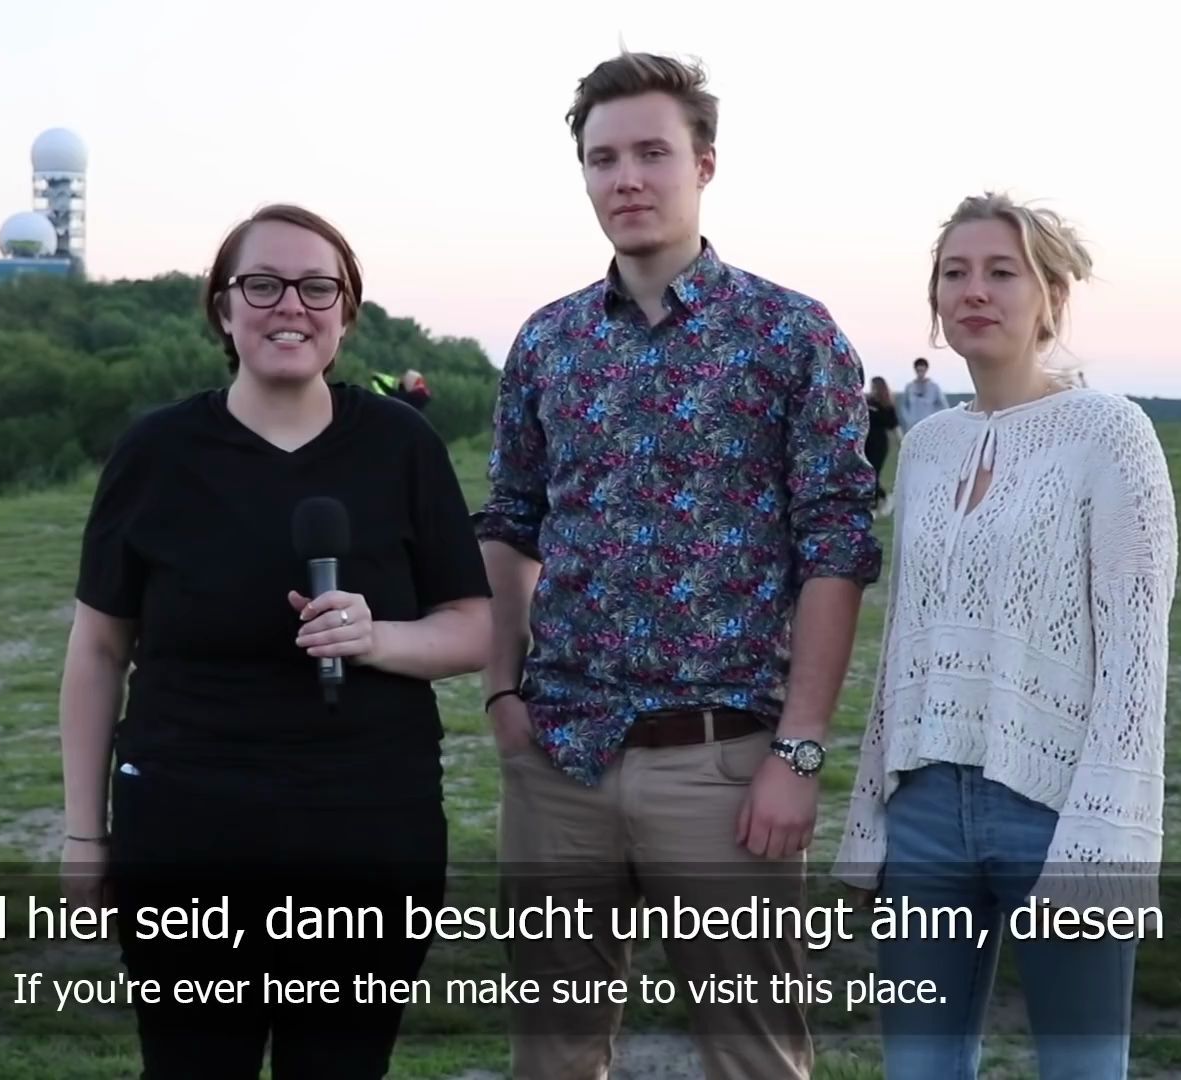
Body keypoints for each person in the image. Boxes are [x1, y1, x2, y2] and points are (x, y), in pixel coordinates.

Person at [473, 51, 882, 1080]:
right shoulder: (549, 342)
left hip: (725, 761)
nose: (627, 179)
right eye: (603, 159)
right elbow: (511, 524)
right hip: (559, 757)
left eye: (652, 153)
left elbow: (836, 544)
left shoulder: (790, 334)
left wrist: (797, 752)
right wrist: (500, 695)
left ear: (704, 164)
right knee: (554, 1056)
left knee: (754, 1058)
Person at [58, 203, 492, 1080]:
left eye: (316, 287)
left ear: (347, 312)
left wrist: (378, 638)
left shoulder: (402, 447)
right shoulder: (156, 451)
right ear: (223, 308)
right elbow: (100, 651)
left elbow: (473, 627)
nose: (289, 305)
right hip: (186, 823)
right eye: (261, 284)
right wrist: (84, 834)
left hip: (369, 824)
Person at [834, 192, 1179, 1079]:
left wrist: (1101, 841)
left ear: (1052, 296)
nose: (973, 292)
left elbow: (1137, 663)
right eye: (955, 274)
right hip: (924, 817)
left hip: (1055, 807)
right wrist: (873, 811)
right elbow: (905, 641)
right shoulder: (930, 445)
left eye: (1001, 271)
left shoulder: (1113, 434)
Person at [864, 377, 901, 513]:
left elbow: (894, 426)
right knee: (866, 474)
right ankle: (880, 499)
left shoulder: (886, 406)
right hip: (865, 443)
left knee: (874, 474)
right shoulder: (867, 402)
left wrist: (902, 444)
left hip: (879, 444)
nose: (872, 390)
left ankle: (880, 501)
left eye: (874, 387)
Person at [899, 356, 949, 430]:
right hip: (913, 425)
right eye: (918, 370)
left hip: (929, 425)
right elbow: (904, 406)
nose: (920, 373)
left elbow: (943, 405)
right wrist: (908, 419)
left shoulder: (934, 387)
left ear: (926, 370)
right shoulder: (909, 387)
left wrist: (936, 419)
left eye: (922, 370)